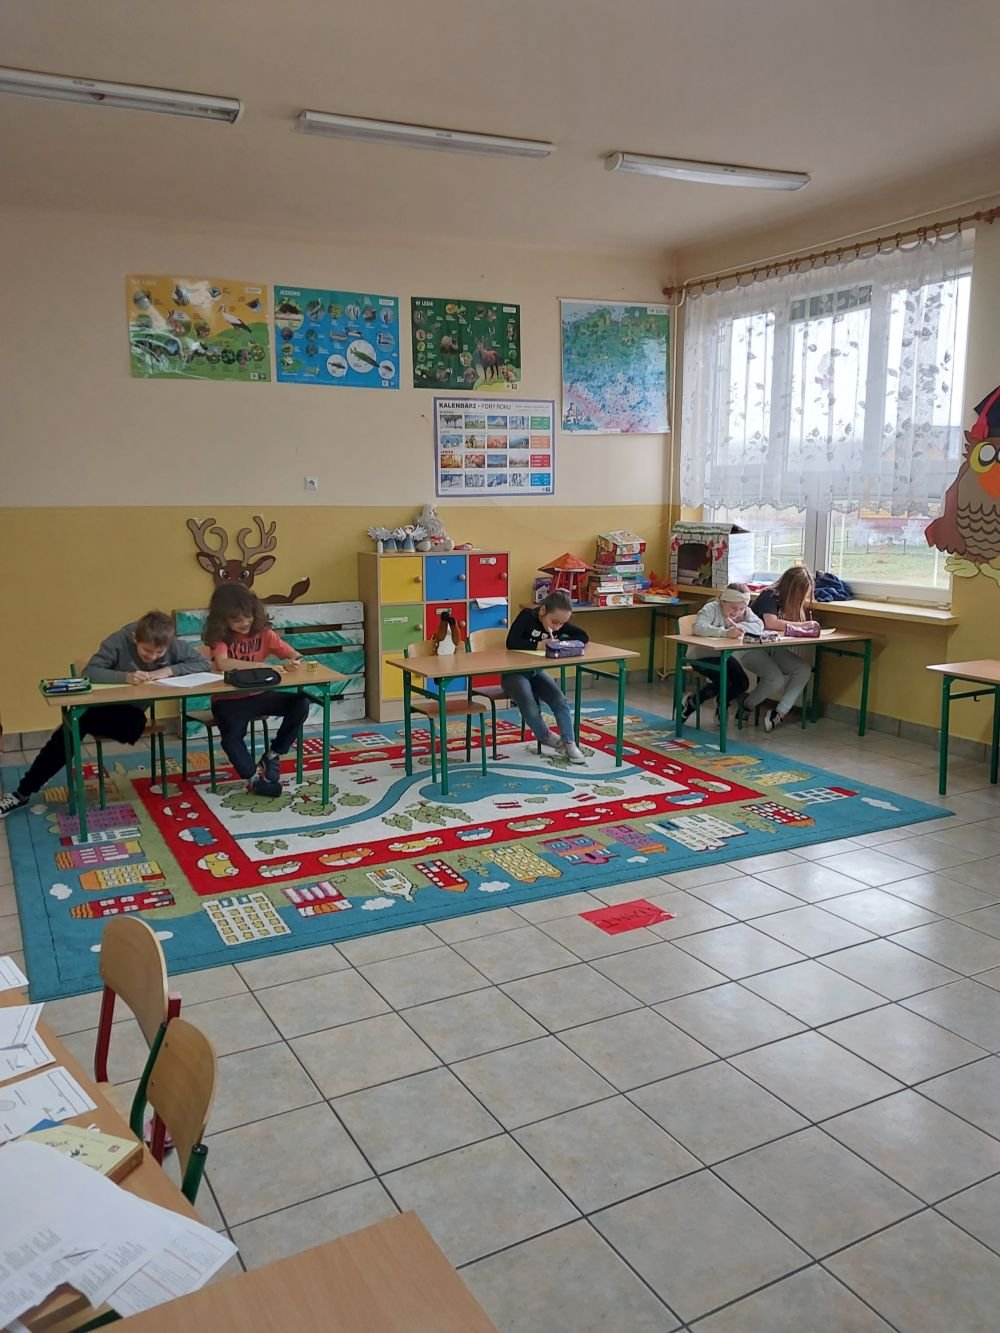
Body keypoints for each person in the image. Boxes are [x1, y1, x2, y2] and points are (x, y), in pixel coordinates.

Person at [0, 611, 206, 817]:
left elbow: (203, 663)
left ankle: (23, 791)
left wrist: (167, 671)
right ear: (135, 638)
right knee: (74, 727)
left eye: (159, 653)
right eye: (146, 651)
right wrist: (126, 677)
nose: (152, 657)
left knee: (86, 722)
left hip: (132, 715)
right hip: (105, 707)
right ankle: (22, 792)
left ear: (168, 645)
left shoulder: (172, 643)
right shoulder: (119, 640)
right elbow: (90, 672)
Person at [204, 585, 308, 797]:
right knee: (231, 738)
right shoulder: (222, 638)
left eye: (248, 616)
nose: (244, 623)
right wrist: (259, 666)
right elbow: (222, 663)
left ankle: (273, 755)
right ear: (222, 620)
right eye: (236, 620)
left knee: (301, 703)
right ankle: (253, 779)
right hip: (228, 701)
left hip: (260, 695)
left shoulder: (265, 634)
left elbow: (295, 655)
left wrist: (294, 662)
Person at [504, 591, 588, 764]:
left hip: (536, 672)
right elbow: (511, 642)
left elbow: (583, 636)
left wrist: (561, 642)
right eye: (554, 622)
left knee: (559, 700)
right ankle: (546, 736)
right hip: (514, 673)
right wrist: (539, 645)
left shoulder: (559, 623)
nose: (557, 627)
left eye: (562, 623)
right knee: (529, 704)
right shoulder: (527, 617)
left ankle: (569, 742)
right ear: (543, 611)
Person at [746, 567, 817, 731]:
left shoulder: (788, 602)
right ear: (793, 589)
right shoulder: (769, 595)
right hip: (751, 648)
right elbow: (771, 623)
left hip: (773, 648)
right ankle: (747, 705)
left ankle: (779, 713)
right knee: (776, 679)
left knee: (803, 669)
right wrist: (803, 625)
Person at [683, 586, 757, 722]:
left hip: (723, 656)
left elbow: (759, 625)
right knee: (724, 682)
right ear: (723, 601)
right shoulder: (711, 609)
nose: (737, 612)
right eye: (733, 608)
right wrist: (725, 633)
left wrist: (741, 628)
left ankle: (722, 701)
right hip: (700, 656)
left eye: (741, 609)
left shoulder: (744, 611)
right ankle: (693, 702)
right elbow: (698, 627)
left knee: (743, 683)